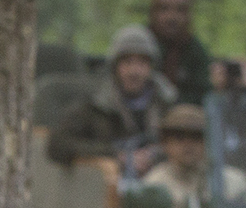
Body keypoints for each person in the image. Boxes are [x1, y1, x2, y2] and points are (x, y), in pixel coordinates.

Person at [48, 24, 177, 175]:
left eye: (142, 63)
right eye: (127, 62)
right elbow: (58, 144)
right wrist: (116, 155)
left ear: (151, 67)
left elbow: (186, 143)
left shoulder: (166, 102)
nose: (134, 71)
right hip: (110, 179)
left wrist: (156, 155)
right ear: (115, 66)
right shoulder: (96, 103)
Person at [139, 104, 246, 208]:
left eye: (196, 137)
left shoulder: (233, 181)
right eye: (179, 137)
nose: (188, 144)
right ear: (165, 143)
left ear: (209, 141)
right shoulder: (154, 184)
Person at [147, 0, 210, 107]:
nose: (171, 17)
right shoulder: (140, 44)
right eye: (164, 9)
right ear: (153, 13)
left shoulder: (194, 50)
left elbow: (203, 93)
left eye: (180, 10)